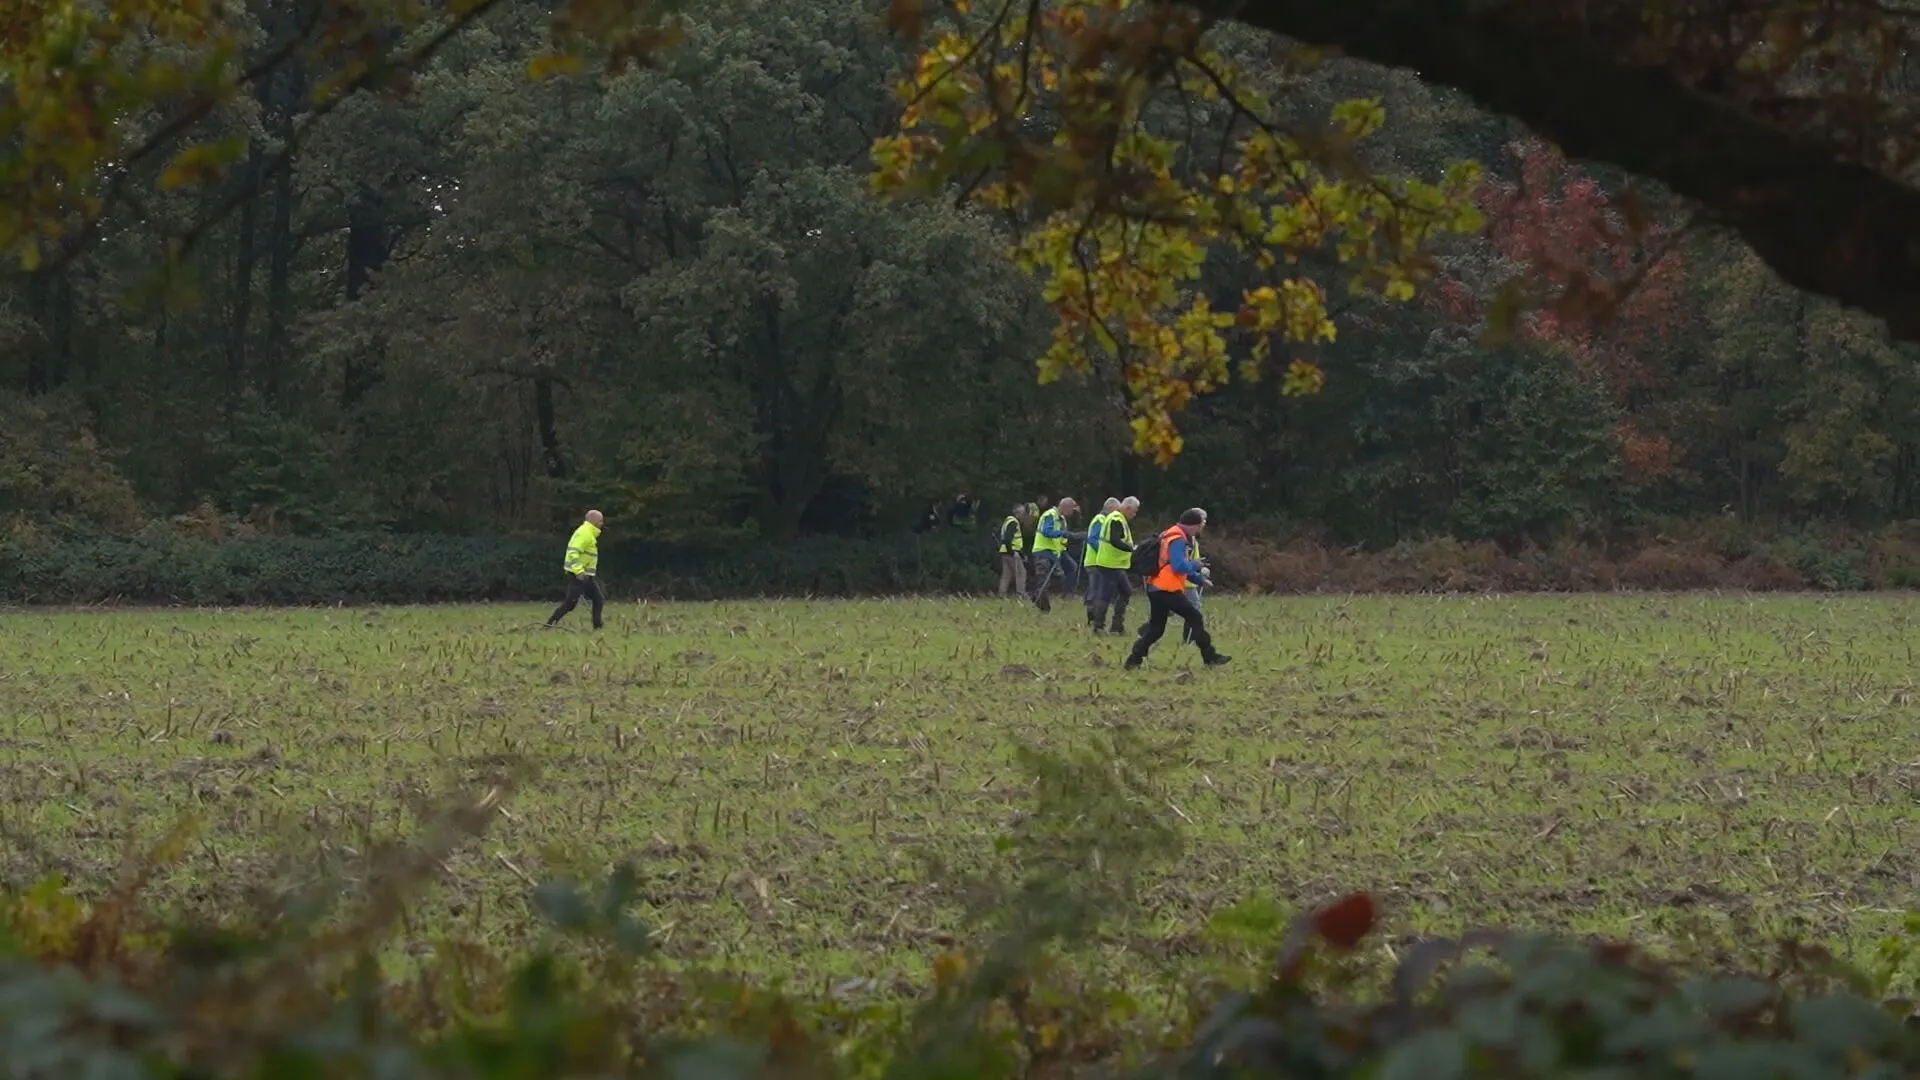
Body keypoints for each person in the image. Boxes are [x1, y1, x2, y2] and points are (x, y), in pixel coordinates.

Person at [1125, 507, 1229, 670]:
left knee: (1156, 629)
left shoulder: (1169, 535)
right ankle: (1210, 657)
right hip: (1167, 589)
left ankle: (1133, 660)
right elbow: (1179, 566)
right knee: (1195, 617)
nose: (1201, 529)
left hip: (1156, 588)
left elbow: (1170, 567)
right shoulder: (1178, 539)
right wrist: (1196, 564)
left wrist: (1198, 580)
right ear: (1193, 525)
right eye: (1201, 525)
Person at [1086, 496, 1139, 634]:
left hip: (1114, 563)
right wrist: (1131, 549)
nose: (1134, 515)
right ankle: (1099, 626)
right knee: (1106, 595)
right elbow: (1115, 540)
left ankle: (1116, 625)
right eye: (1134, 511)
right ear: (1127, 508)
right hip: (1110, 563)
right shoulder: (1116, 519)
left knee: (1125, 591)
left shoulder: (1117, 518)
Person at [547, 509, 606, 630]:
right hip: (579, 575)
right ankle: (549, 624)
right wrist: (579, 571)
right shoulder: (585, 534)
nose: (602, 523)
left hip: (586, 575)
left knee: (598, 599)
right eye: (600, 520)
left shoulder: (589, 533)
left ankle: (598, 626)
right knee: (570, 604)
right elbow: (573, 553)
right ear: (592, 520)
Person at [1029, 497, 1083, 611]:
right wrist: (1065, 534)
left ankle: (1038, 595)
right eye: (1071, 510)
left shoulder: (1061, 519)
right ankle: (1042, 604)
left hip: (1054, 552)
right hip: (1043, 550)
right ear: (1066, 507)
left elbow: (1062, 538)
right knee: (1044, 579)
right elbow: (1047, 532)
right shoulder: (1050, 515)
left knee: (1061, 575)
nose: (1072, 513)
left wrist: (1073, 536)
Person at [996, 504, 1028, 598]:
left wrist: (1022, 554)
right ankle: (1021, 594)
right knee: (1021, 573)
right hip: (1012, 552)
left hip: (1004, 552)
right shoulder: (1014, 523)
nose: (1024, 515)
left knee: (1006, 575)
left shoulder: (1007, 521)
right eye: (1023, 513)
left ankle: (1001, 594)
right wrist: (1014, 552)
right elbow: (1008, 539)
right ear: (1019, 513)